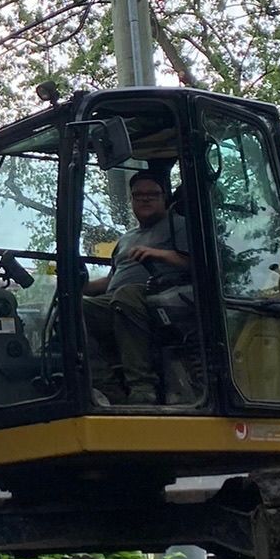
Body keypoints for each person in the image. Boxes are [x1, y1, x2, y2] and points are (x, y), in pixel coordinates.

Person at [84, 171, 191, 406]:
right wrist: (81, 286)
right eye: (138, 195)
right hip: (118, 297)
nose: (145, 199)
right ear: (131, 200)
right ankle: (106, 386)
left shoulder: (179, 226)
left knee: (126, 295)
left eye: (152, 194)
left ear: (165, 198)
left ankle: (142, 386)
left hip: (163, 297)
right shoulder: (127, 238)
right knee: (72, 309)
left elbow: (197, 264)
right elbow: (112, 280)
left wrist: (159, 254)